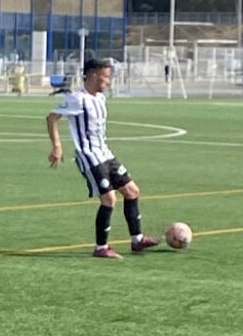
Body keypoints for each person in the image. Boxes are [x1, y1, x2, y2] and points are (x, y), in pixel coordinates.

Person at [46, 59, 161, 259]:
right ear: (92, 74)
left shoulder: (100, 98)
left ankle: (137, 239)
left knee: (132, 191)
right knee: (109, 199)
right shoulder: (77, 98)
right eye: (105, 76)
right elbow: (51, 117)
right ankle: (101, 248)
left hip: (106, 154)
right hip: (89, 156)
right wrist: (57, 146)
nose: (108, 81)